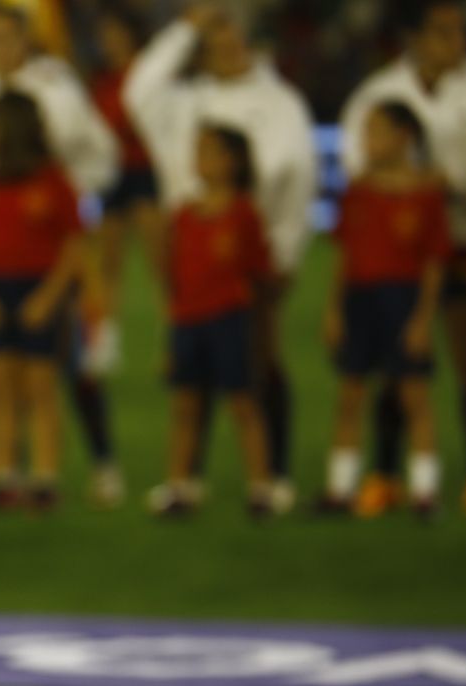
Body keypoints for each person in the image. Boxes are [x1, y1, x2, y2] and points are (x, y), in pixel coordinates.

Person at [124, 2, 317, 514]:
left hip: (248, 258)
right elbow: (138, 90)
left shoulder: (282, 104)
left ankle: (271, 475)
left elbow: (297, 184)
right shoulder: (186, 102)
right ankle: (188, 480)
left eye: (234, 41)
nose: (226, 51)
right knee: (192, 379)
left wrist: (284, 261)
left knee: (256, 368)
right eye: (215, 43)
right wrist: (187, 26)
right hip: (189, 255)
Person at [339, 0, 466, 517]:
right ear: (415, 37)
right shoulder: (380, 92)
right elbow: (357, 160)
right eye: (443, 33)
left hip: (464, 239)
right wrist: (405, 186)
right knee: (396, 367)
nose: (457, 43)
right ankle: (385, 473)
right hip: (395, 252)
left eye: (459, 32)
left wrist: (454, 183)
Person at [0, 2, 124, 508]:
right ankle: (8, 476)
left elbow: (100, 161)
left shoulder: (58, 89)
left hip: (46, 269)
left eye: (6, 38)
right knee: (3, 384)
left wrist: (58, 200)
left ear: (26, 40)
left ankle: (84, 468)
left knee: (62, 377)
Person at [319, 103, 448, 517]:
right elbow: (345, 256)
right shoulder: (358, 190)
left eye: (377, 132)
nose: (368, 142)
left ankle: (425, 493)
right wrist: (335, 309)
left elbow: (433, 262)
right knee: (351, 393)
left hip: (403, 298)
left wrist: (424, 318)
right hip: (360, 298)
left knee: (414, 395)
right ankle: (340, 490)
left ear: (404, 137)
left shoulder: (425, 194)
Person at [0, 90, 85, 511]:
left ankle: (45, 479)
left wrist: (49, 297)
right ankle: (5, 477)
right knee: (1, 388)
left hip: (40, 292)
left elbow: (72, 245)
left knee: (41, 389)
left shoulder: (53, 181)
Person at [150, 125, 273, 517]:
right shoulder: (185, 215)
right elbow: (175, 278)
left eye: (210, 153)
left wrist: (258, 328)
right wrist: (171, 333)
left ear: (233, 162)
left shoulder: (243, 214)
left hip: (228, 319)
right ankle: (179, 485)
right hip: (189, 321)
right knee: (186, 405)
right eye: (198, 152)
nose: (200, 161)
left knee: (242, 404)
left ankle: (260, 487)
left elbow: (259, 272)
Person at [90, 6, 163, 321]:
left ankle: (174, 337)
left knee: (160, 259)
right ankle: (105, 343)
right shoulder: (101, 80)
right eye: (105, 35)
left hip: (146, 170)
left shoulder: (149, 76)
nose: (110, 41)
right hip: (112, 173)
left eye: (116, 34)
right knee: (108, 261)